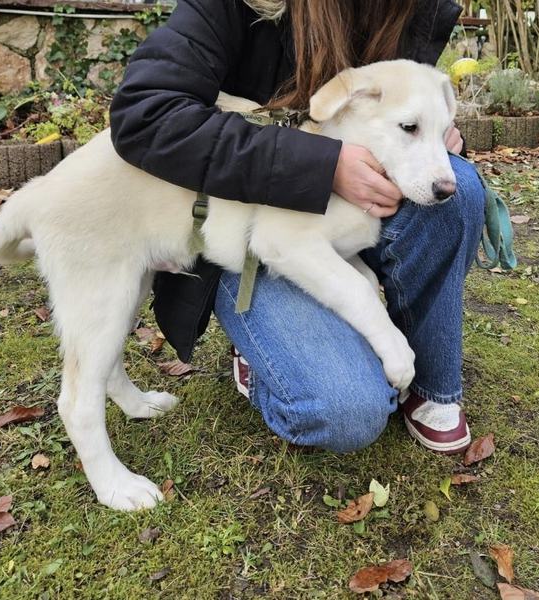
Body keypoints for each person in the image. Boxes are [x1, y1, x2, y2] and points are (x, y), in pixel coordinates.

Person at [109, 0, 485, 455]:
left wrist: (438, 137)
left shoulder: (412, 9)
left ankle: (429, 385)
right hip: (247, 229)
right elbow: (145, 114)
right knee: (347, 411)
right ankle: (264, 358)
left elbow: (406, 116)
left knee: (459, 187)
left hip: (345, 220)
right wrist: (322, 166)